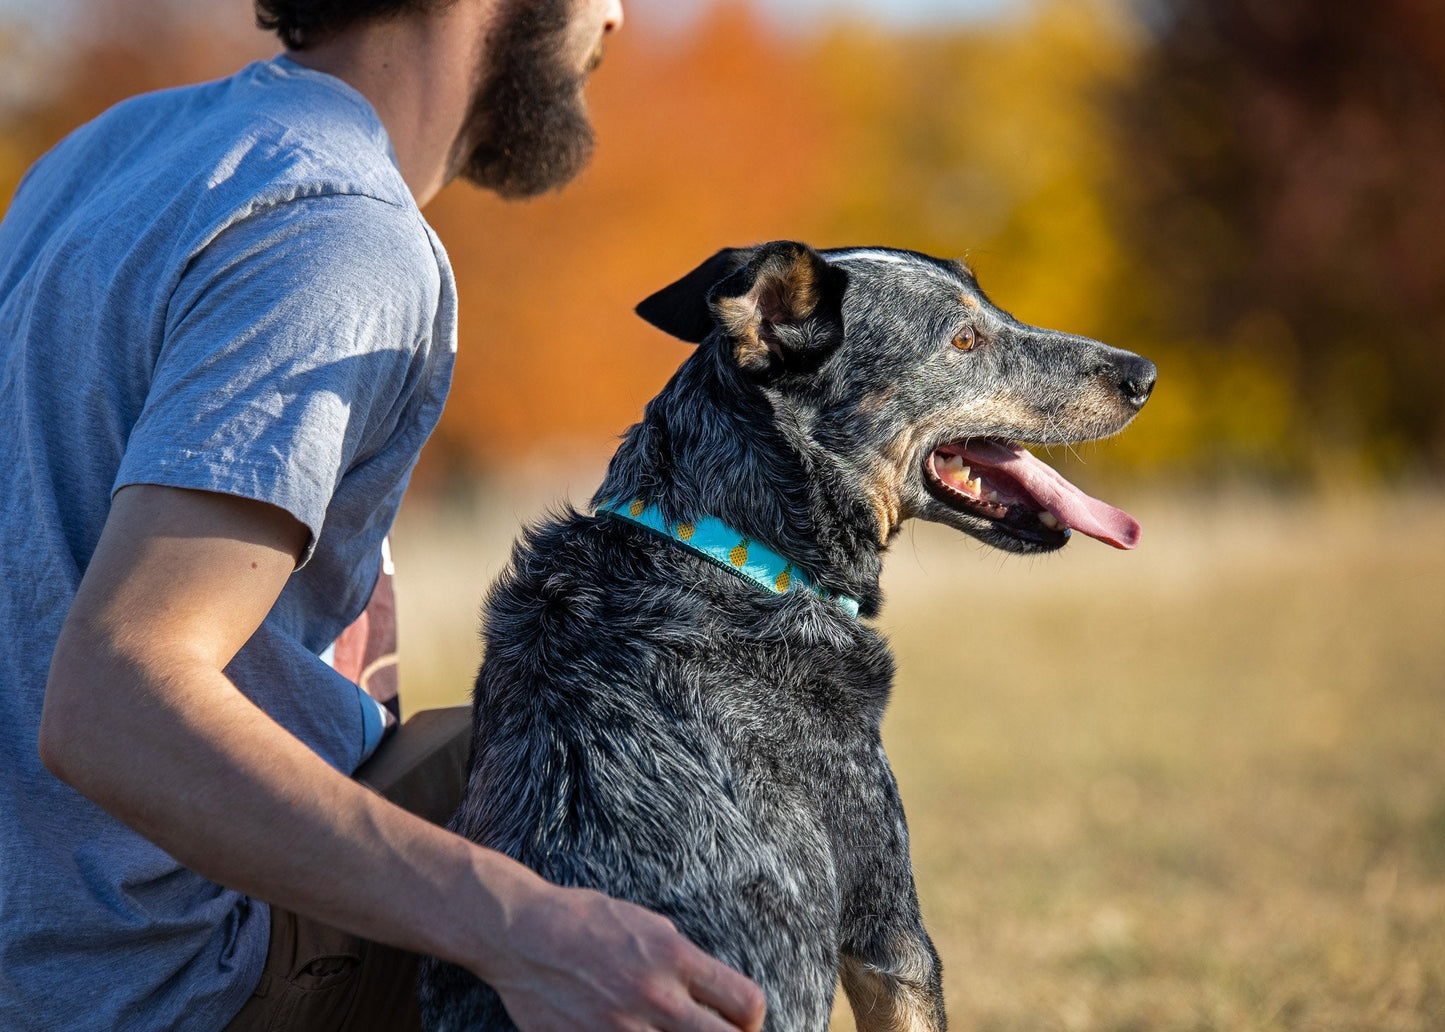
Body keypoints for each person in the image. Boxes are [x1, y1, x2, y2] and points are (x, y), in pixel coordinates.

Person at [0, 1, 768, 1030]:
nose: (617, 15)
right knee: (670, 736)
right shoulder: (342, 236)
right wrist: (522, 930)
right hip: (152, 979)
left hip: (36, 934)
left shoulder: (113, 153)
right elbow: (111, 706)